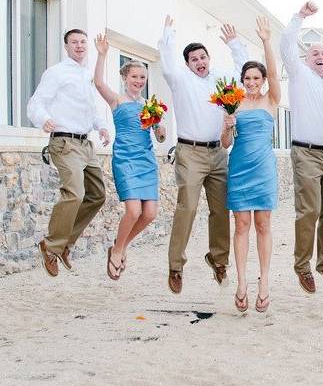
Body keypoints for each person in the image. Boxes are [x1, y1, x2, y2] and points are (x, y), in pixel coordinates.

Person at [158, 15, 248, 294]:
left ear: (209, 58)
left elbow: (243, 71)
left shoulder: (222, 78)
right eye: (194, 59)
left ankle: (218, 260)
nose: (200, 62)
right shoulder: (180, 79)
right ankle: (176, 265)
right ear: (187, 64)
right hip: (190, 152)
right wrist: (168, 34)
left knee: (221, 210)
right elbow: (167, 62)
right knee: (188, 207)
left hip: (219, 152)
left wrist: (234, 43)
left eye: (202, 57)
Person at [27, 28, 111, 277]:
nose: (80, 45)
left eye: (83, 42)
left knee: (97, 195)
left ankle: (65, 244)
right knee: (74, 194)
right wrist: (44, 118)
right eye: (74, 42)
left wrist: (103, 127)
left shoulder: (86, 75)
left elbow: (91, 108)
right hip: (64, 143)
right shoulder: (56, 73)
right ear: (66, 47)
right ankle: (51, 247)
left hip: (86, 145)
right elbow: (35, 103)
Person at [279, 1, 323, 294]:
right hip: (305, 152)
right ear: (306, 59)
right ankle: (302, 266)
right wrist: (300, 17)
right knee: (309, 211)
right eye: (314, 53)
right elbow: (285, 46)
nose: (320, 56)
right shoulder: (299, 74)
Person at [93, 33, 166, 280]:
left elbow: (160, 136)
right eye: (134, 76)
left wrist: (161, 128)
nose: (139, 80)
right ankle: (116, 251)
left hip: (146, 160)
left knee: (150, 214)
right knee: (133, 211)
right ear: (125, 77)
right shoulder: (117, 100)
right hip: (125, 159)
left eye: (142, 77)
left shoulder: (149, 105)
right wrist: (102, 55)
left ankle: (120, 245)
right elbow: (99, 83)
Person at [223, 16, 279, 313]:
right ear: (242, 81)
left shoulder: (271, 100)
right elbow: (224, 143)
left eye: (257, 78)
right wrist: (228, 125)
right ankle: (242, 281)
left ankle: (265, 282)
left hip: (264, 168)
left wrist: (267, 41)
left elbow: (274, 73)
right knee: (241, 224)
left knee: (263, 224)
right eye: (248, 79)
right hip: (240, 167)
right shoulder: (233, 103)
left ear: (263, 80)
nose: (252, 83)